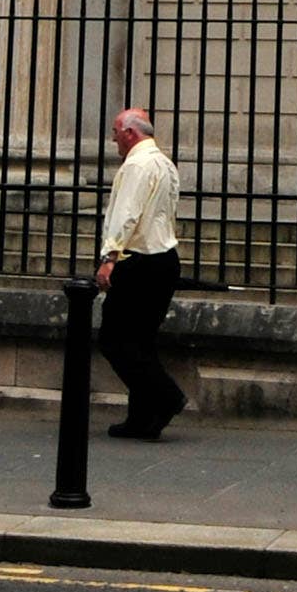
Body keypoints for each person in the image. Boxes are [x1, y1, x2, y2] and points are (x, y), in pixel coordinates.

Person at [93, 107, 186, 440]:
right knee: (141, 342)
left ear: (131, 133)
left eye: (116, 131)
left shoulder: (135, 165)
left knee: (114, 340)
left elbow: (126, 214)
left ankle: (167, 397)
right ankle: (141, 417)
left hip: (139, 260)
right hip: (164, 259)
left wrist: (109, 257)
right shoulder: (164, 163)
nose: (114, 138)